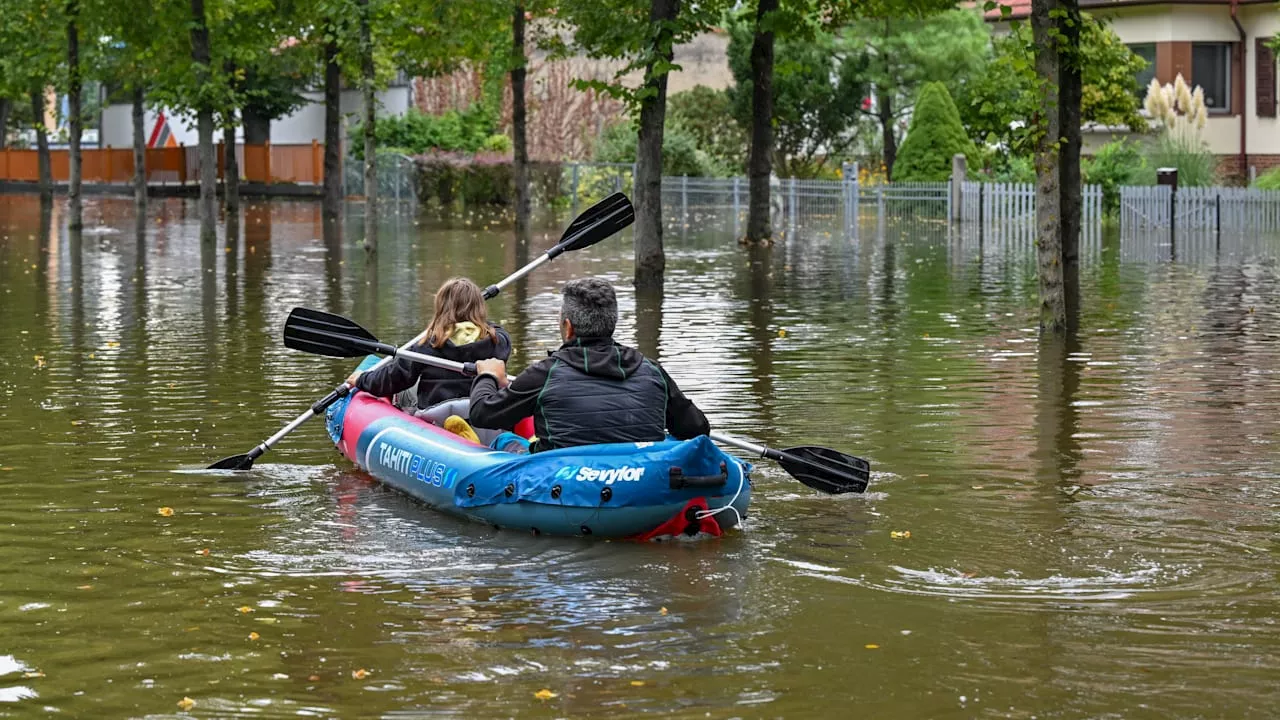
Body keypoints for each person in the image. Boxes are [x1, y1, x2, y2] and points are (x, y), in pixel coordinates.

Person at [468, 277, 709, 453]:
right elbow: (697, 428)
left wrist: (488, 375)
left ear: (568, 326)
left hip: (563, 485)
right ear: (612, 323)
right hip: (643, 484)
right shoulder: (652, 370)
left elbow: (481, 414)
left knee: (504, 441)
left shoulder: (545, 373)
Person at [346, 278, 511, 433]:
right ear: (480, 308)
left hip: (436, 418)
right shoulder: (499, 341)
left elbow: (393, 379)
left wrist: (362, 380)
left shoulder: (426, 344)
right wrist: (475, 317)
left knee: (406, 392)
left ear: (440, 309)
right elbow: (495, 329)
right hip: (482, 413)